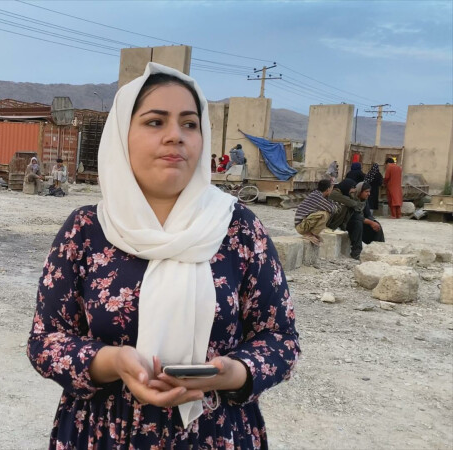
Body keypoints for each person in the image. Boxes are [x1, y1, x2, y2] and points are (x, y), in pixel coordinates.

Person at [27, 63, 299, 448]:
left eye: (190, 124)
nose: (176, 136)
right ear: (122, 135)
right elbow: (45, 342)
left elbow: (281, 340)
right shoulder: (86, 230)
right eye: (155, 122)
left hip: (215, 432)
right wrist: (113, 362)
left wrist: (233, 372)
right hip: (104, 434)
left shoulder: (237, 228)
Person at [327, 178, 366, 259]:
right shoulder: (335, 193)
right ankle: (356, 251)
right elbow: (354, 204)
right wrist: (353, 197)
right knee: (357, 220)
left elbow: (359, 207)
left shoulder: (344, 194)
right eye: (352, 188)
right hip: (331, 222)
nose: (353, 190)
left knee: (358, 220)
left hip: (340, 221)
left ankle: (357, 250)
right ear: (347, 186)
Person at [294, 179, 337, 245]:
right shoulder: (317, 197)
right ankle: (310, 234)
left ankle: (312, 233)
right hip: (301, 226)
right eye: (332, 188)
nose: (332, 190)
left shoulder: (318, 194)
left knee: (325, 212)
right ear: (328, 189)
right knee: (324, 214)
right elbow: (333, 209)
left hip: (303, 224)